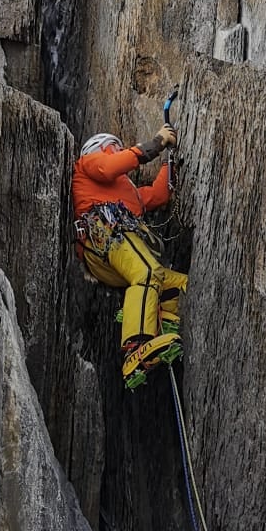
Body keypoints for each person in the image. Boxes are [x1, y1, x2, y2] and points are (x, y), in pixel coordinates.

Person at [72, 122, 188, 388]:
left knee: (175, 282)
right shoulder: (88, 163)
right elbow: (109, 167)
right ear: (99, 148)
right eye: (114, 146)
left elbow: (158, 196)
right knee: (147, 273)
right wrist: (156, 143)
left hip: (116, 247)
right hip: (104, 233)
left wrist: (170, 163)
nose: (119, 150)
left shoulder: (129, 193)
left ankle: (165, 325)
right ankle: (135, 348)